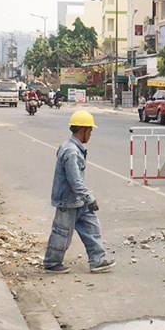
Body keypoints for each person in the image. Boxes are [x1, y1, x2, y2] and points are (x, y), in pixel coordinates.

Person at [43, 110, 116, 274]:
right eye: (90, 131)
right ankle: (52, 263)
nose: (90, 135)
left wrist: (85, 198)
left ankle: (97, 260)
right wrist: (89, 198)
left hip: (78, 199)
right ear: (82, 130)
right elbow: (74, 180)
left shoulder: (71, 147)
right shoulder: (72, 151)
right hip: (68, 200)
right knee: (62, 233)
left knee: (92, 227)